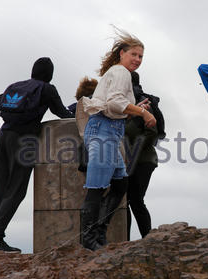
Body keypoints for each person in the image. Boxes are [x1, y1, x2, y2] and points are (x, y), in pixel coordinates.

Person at [0, 57, 74, 252]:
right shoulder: (47, 89)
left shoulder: (16, 86)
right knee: (16, 190)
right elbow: (62, 113)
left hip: (3, 136)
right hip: (23, 141)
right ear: (50, 74)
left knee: (2, 189)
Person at [80, 29, 156, 251]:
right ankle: (88, 240)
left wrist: (135, 109)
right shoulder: (122, 72)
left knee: (121, 182)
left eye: (141, 56)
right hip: (103, 130)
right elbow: (114, 104)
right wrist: (144, 113)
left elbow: (116, 106)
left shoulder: (117, 73)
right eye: (134, 54)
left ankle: (99, 233)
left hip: (109, 130)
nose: (138, 60)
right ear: (122, 53)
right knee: (97, 186)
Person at [123, 71, 163, 240]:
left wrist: (133, 152)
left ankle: (148, 240)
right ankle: (125, 241)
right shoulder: (126, 103)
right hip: (130, 161)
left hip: (143, 161)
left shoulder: (145, 104)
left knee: (135, 200)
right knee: (127, 202)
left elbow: (151, 133)